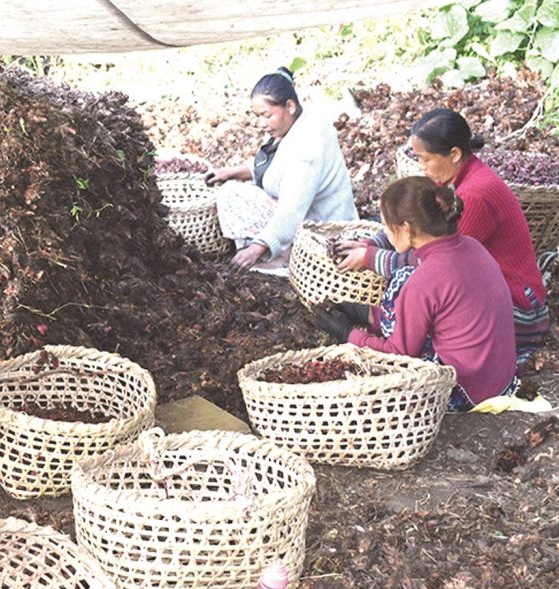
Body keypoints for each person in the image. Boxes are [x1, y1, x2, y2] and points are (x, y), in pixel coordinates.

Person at [336, 108, 548, 363]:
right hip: (488, 292)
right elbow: (412, 215)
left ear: (454, 154)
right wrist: (372, 243)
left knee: (412, 288)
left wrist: (370, 258)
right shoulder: (458, 179)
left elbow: (433, 266)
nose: (422, 168)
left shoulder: (475, 196)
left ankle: (380, 325)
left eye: (425, 159)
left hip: (518, 312)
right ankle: (378, 320)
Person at [315, 177, 517, 411]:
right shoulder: (473, 246)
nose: (385, 235)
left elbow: (399, 356)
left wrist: (348, 335)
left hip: (465, 392)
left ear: (406, 229)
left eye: (386, 226)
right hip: (503, 382)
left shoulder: (422, 280)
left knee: (401, 281)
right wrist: (368, 315)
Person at [205, 67, 357, 271]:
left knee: (232, 196)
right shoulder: (294, 121)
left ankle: (286, 258)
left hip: (324, 229)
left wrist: (256, 248)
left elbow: (291, 210)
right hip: (306, 212)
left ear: (290, 106)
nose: (262, 124)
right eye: (258, 116)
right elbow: (274, 163)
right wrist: (230, 172)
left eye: (267, 115)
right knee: (230, 190)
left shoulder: (308, 148)